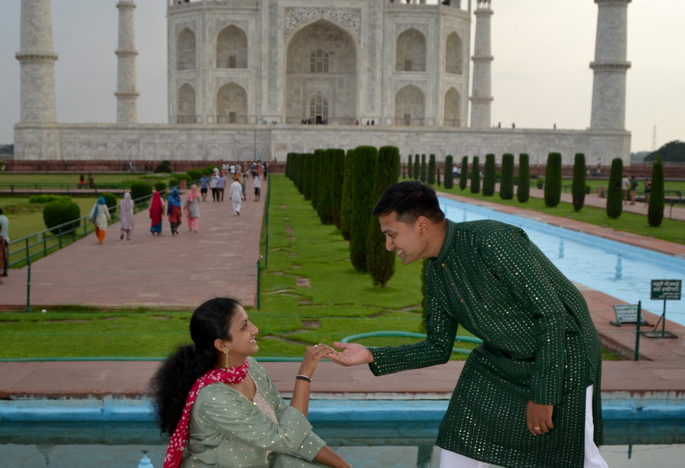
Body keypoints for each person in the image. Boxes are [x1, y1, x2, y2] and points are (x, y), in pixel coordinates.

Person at [327, 181, 607, 468]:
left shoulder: (491, 240)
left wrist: (544, 394)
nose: (388, 246)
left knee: (575, 458)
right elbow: (438, 347)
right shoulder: (436, 273)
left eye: (391, 235)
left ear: (421, 225)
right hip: (504, 364)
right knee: (462, 434)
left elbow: (551, 313)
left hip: (563, 355)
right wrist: (373, 354)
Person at [150, 297, 350, 468]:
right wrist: (304, 374)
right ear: (222, 344)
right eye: (244, 326)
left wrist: (343, 465)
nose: (255, 329)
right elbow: (287, 438)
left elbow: (287, 421)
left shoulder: (250, 368)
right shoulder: (214, 398)